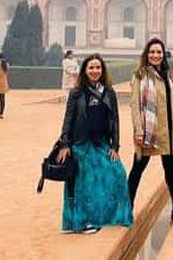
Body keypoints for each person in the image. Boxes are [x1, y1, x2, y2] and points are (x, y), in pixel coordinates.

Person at [56, 54, 131, 234]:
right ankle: (80, 222)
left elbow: (115, 120)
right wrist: (65, 143)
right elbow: (68, 119)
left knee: (117, 173)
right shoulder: (77, 93)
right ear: (85, 71)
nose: (95, 71)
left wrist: (115, 146)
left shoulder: (108, 92)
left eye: (98, 67)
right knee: (84, 182)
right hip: (80, 144)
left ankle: (107, 216)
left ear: (102, 70)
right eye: (91, 68)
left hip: (101, 143)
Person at [128, 38, 173, 222]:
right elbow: (135, 104)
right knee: (137, 169)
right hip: (148, 131)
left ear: (163, 55)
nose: (155, 55)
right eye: (152, 52)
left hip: (168, 131)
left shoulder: (168, 75)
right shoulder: (140, 75)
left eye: (159, 52)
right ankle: (125, 208)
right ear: (147, 54)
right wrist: (138, 130)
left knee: (170, 171)